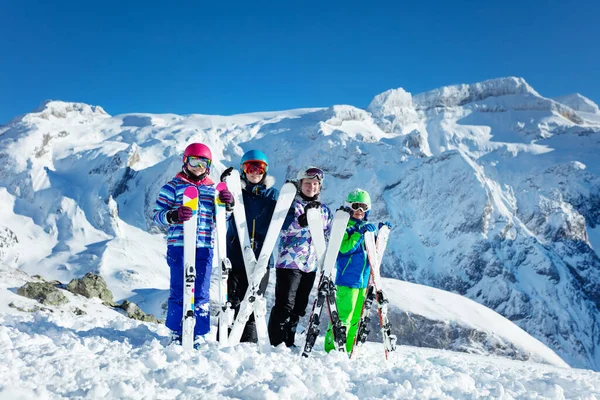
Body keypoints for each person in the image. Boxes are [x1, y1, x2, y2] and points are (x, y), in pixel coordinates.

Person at [153, 142, 234, 348]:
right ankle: (176, 331)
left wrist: (228, 204)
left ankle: (197, 332)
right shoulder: (172, 187)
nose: (197, 166)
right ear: (185, 162)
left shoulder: (213, 189)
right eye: (193, 161)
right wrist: (173, 215)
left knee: (201, 291)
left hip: (205, 245)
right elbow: (157, 216)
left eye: (202, 162)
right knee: (180, 288)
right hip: (179, 246)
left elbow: (222, 218)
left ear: (208, 165)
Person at [268, 166, 333, 347]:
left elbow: (328, 234)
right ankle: (276, 342)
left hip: (310, 265)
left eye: (315, 184)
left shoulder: (325, 210)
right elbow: (282, 228)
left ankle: (289, 340)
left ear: (319, 187)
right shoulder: (290, 205)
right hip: (289, 262)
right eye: (307, 183)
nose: (311, 187)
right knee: (285, 304)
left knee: (299, 306)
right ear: (300, 185)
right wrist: (301, 222)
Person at [219, 150, 278, 343]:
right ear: (243, 170)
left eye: (259, 168)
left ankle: (248, 346)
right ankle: (226, 342)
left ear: (265, 171)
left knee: (254, 302)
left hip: (262, 258)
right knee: (232, 302)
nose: (255, 172)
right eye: (250, 167)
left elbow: (283, 222)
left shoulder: (273, 195)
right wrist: (224, 194)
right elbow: (220, 215)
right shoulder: (236, 193)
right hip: (236, 256)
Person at [324, 188, 391, 353]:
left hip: (363, 282)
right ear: (349, 207)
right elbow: (344, 249)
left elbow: (373, 253)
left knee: (356, 318)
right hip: (347, 280)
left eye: (363, 207)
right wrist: (358, 234)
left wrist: (380, 235)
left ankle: (348, 349)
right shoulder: (344, 227)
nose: (359, 211)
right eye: (356, 206)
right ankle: (332, 348)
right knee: (343, 315)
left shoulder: (366, 228)